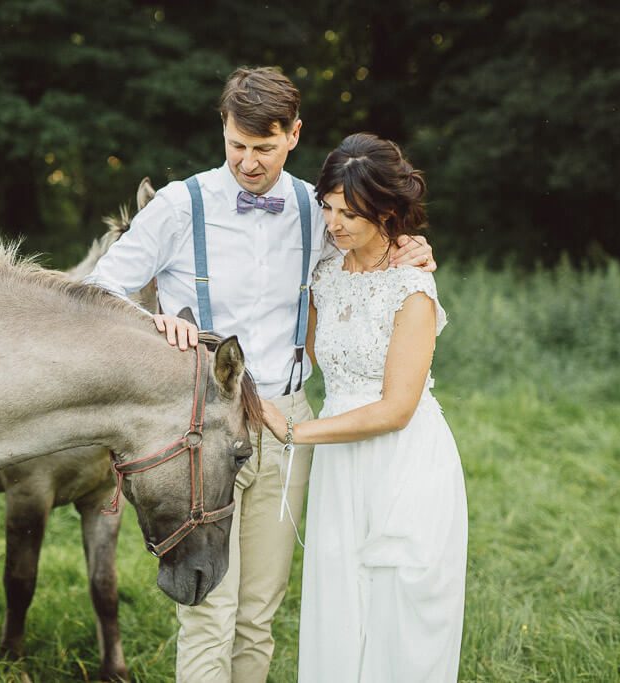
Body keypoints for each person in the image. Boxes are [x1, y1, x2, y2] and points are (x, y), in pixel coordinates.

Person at [85, 68, 435, 683]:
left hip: (289, 421)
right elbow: (95, 292)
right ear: (223, 130)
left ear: (294, 135)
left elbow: (370, 258)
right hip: (198, 431)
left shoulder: (315, 208)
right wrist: (155, 324)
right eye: (237, 145)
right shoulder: (178, 205)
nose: (248, 163)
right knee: (206, 609)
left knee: (257, 613)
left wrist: (415, 250)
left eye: (264, 148)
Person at [261, 132, 467, 682]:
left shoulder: (413, 289)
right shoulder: (325, 274)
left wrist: (295, 434)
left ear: (387, 211)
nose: (334, 224)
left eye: (350, 213)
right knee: (339, 598)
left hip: (401, 458)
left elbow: (397, 408)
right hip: (341, 461)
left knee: (399, 604)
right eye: (328, 209)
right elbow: (306, 348)